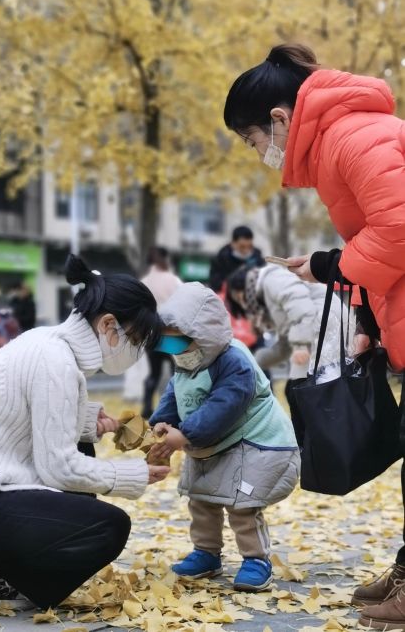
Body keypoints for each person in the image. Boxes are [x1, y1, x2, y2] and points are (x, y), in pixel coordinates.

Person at [224, 42, 405, 628]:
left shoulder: (351, 137)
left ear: (280, 118)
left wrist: (332, 266)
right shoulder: (347, 137)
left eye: (252, 142)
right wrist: (336, 276)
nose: (259, 154)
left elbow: (400, 229)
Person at [0, 254, 170, 611]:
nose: (137, 351)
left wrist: (90, 424)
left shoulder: (49, 343)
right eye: (135, 338)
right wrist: (133, 475)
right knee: (109, 526)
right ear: (109, 325)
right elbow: (58, 467)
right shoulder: (55, 361)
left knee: (84, 450)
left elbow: (32, 416)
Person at [147, 282, 300, 592]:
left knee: (242, 505)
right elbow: (175, 393)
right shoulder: (189, 361)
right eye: (168, 347)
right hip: (216, 443)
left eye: (178, 346)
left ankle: (256, 559)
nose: (175, 354)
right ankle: (206, 553)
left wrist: (185, 434)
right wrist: (162, 422)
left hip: (258, 444)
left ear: (203, 336)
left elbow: (222, 407)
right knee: (201, 498)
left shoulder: (234, 362)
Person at [227, 264, 340, 445]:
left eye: (238, 297)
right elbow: (284, 345)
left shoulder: (272, 279)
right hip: (313, 332)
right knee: (298, 391)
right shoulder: (267, 299)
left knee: (299, 391)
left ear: (242, 287)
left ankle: (308, 444)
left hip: (321, 328)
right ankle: (310, 443)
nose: (243, 304)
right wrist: (252, 363)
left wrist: (301, 345)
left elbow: (301, 308)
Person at [140, 247, 182, 418]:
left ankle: (147, 408)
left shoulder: (143, 282)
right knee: (177, 374)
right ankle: (175, 409)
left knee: (154, 374)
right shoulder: (173, 280)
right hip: (172, 334)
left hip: (151, 334)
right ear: (165, 259)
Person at [209, 225, 265, 293]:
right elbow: (215, 284)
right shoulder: (221, 259)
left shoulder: (258, 258)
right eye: (242, 247)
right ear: (233, 243)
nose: (246, 250)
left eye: (249, 246)